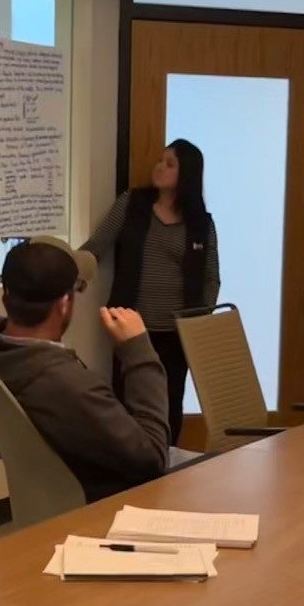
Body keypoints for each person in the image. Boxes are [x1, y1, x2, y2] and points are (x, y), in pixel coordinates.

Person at [0, 238, 171, 502]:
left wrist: (18, 451)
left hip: (48, 496)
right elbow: (153, 458)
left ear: (6, 295)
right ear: (64, 304)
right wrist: (137, 350)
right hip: (105, 503)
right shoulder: (66, 384)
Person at [82, 140, 218, 440]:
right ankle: (129, 464)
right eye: (160, 160)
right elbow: (97, 245)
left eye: (170, 164)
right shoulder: (133, 204)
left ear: (187, 174)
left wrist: (200, 319)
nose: (159, 167)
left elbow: (211, 277)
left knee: (169, 404)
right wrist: (71, 271)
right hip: (130, 326)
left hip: (177, 333)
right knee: (126, 404)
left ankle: (166, 461)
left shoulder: (200, 223)